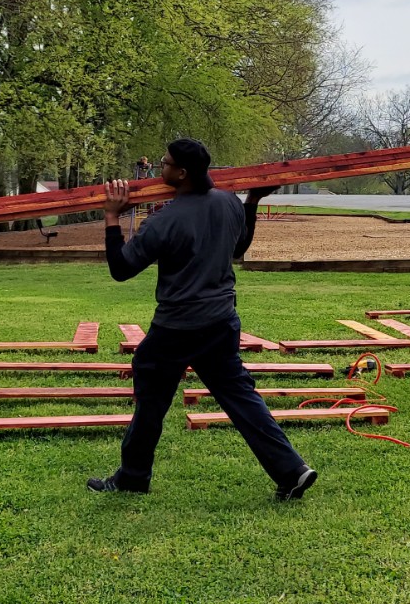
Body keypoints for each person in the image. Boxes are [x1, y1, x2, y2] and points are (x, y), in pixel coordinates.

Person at [89, 138, 317, 500]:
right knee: (239, 396)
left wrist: (112, 217)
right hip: (221, 323)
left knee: (150, 397)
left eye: (165, 164)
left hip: (176, 328)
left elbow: (121, 269)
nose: (161, 170)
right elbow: (239, 248)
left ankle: (133, 475)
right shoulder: (229, 202)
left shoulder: (165, 219)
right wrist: (253, 200)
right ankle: (292, 471)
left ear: (181, 173)